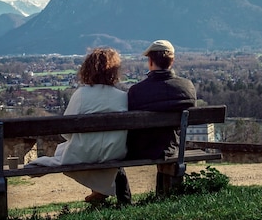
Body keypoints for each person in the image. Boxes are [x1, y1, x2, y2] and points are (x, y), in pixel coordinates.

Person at [26, 47, 127, 204]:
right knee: (100, 152)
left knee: (73, 150)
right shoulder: (122, 97)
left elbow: (67, 131)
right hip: (115, 152)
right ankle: (102, 191)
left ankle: (100, 191)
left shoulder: (81, 95)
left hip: (86, 153)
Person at [115, 39, 197, 202]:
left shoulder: (137, 91)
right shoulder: (187, 88)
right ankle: (164, 197)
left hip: (140, 150)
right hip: (172, 148)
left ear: (150, 62)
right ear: (172, 61)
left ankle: (124, 202)